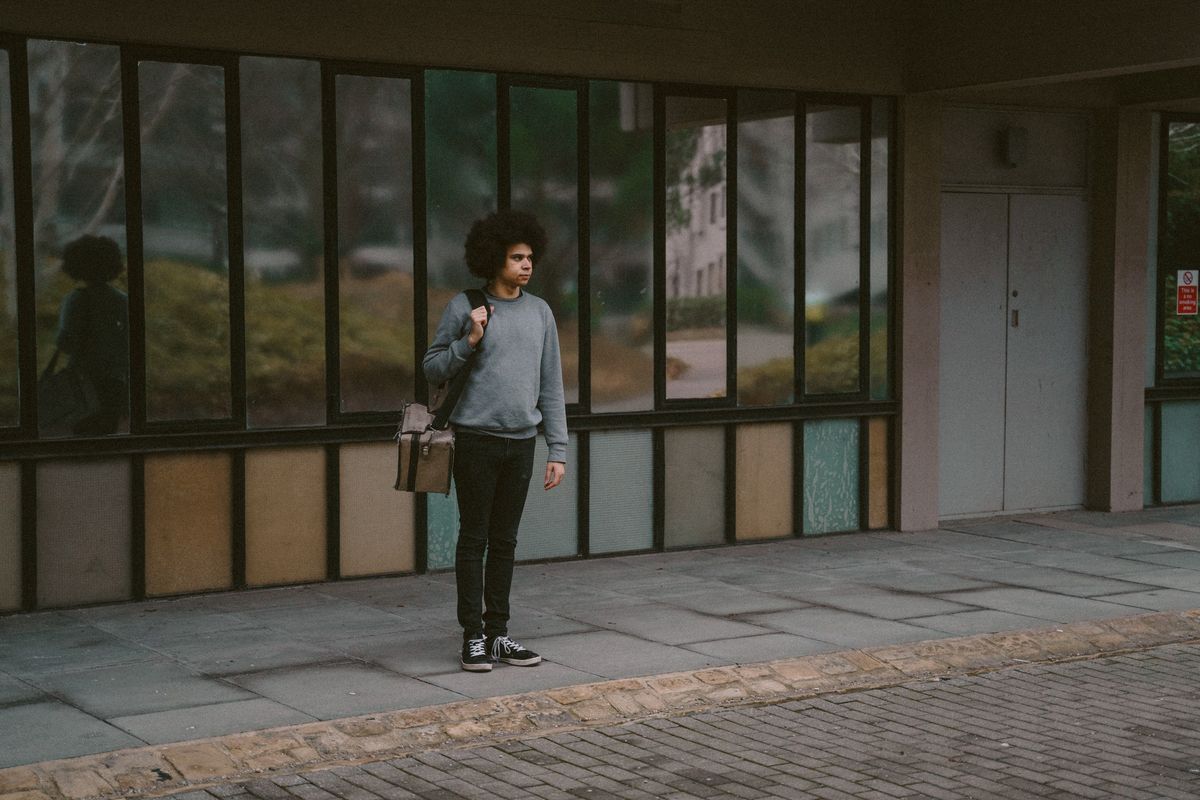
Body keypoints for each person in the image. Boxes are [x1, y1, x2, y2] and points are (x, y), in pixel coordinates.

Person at [422, 210, 567, 672]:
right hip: (476, 441)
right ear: (494, 259)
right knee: (474, 538)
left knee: (505, 541)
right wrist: (470, 339)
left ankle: (499, 634)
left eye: (529, 257)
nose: (526, 265)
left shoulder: (541, 312)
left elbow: (552, 385)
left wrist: (557, 450)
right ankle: (473, 638)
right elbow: (432, 366)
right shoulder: (466, 306)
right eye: (515, 257)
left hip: (521, 442)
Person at [52, 234, 130, 436]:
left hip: (82, 381)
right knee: (107, 438)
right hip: (114, 380)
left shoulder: (75, 300)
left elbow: (65, 343)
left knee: (84, 438)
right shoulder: (122, 301)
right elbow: (128, 344)